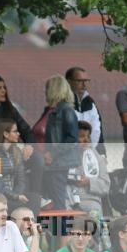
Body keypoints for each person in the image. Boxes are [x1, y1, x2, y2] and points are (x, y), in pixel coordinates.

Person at [0, 119, 41, 216]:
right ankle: (19, 227)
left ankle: (30, 227)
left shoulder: (16, 152)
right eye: (15, 131)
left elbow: (22, 179)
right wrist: (16, 197)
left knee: (35, 198)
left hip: (13, 194)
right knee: (16, 206)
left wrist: (17, 194)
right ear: (6, 134)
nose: (18, 133)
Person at [43, 74, 80, 210]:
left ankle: (60, 229)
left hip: (60, 163)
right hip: (57, 162)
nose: (45, 93)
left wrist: (52, 154)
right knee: (55, 197)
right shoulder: (58, 111)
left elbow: (72, 138)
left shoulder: (66, 111)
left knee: (58, 200)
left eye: (47, 89)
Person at [70, 121, 111, 215]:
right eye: (82, 136)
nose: (86, 140)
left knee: (94, 215)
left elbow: (105, 185)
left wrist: (89, 182)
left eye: (88, 137)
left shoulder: (97, 157)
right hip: (68, 200)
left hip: (91, 201)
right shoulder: (63, 155)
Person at [66, 66, 104, 149]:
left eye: (86, 81)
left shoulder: (90, 102)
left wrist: (102, 154)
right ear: (69, 82)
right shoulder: (64, 103)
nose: (84, 84)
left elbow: (98, 130)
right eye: (80, 81)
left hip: (91, 152)